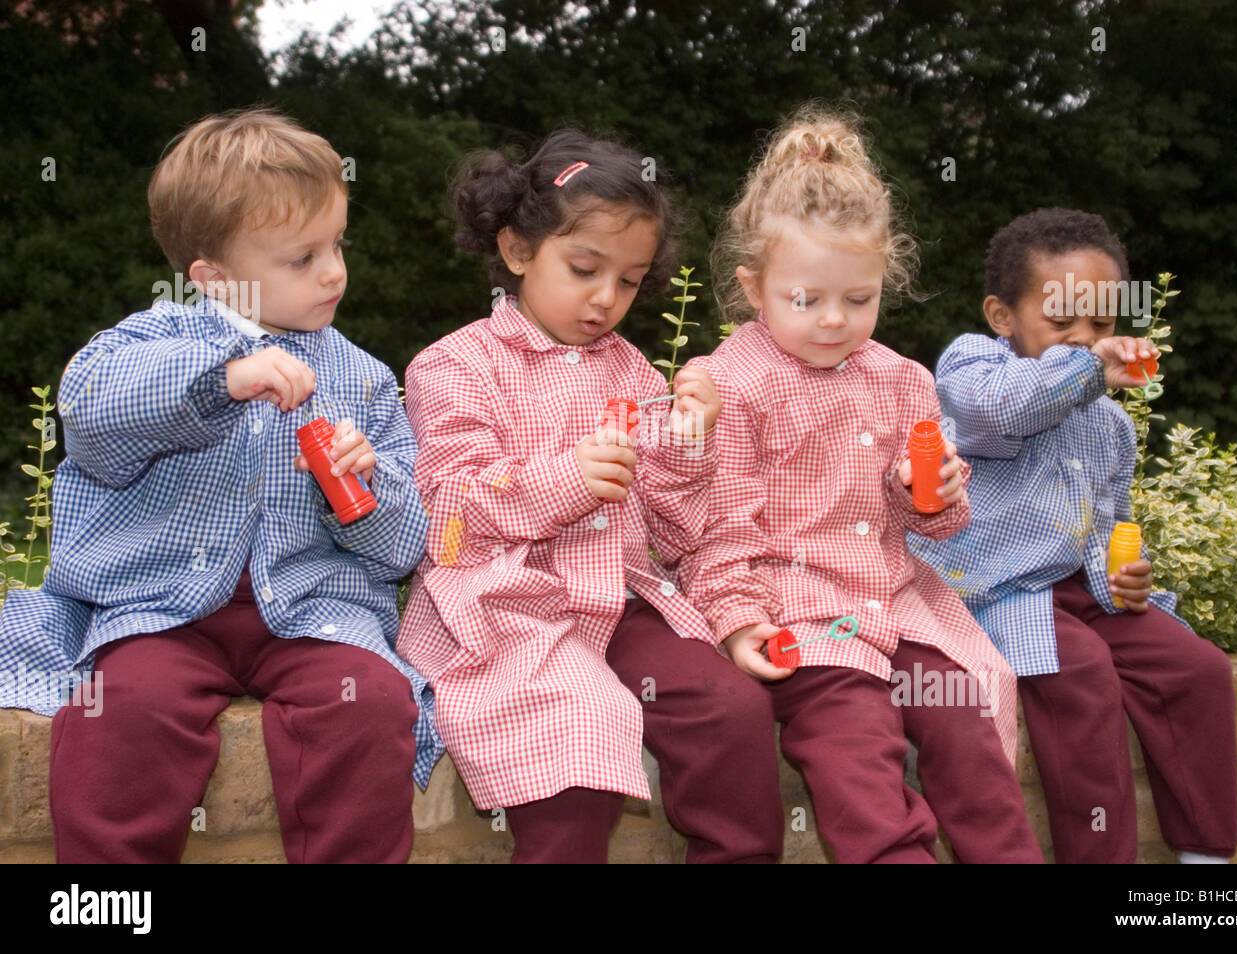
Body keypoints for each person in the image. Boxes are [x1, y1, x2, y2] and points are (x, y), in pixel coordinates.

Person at [0, 107, 437, 863]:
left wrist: (364, 488)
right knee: (126, 713)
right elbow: (94, 412)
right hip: (164, 612)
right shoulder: (151, 341)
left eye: (337, 244)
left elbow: (403, 547)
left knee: (366, 708)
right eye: (301, 258)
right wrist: (223, 380)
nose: (333, 271)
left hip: (312, 613)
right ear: (213, 279)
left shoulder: (364, 379)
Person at [397, 130, 785, 863]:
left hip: (624, 599)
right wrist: (562, 482)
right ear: (516, 252)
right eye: (584, 269)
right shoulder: (453, 367)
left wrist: (689, 440)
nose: (606, 299)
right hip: (512, 608)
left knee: (730, 710)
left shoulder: (633, 370)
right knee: (576, 727)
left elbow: (674, 531)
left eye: (631, 281)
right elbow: (446, 515)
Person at [676, 106, 1042, 863]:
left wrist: (924, 489)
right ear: (754, 286)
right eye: (807, 300)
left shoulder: (902, 379)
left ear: (885, 282)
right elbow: (718, 530)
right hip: (805, 618)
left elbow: (938, 524)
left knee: (965, 718)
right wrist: (740, 621)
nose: (837, 321)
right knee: (858, 751)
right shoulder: (727, 385)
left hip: (898, 603)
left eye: (861, 298)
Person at [908, 207, 1237, 863]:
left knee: (1199, 669)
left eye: (1102, 324)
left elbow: (1112, 522)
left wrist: (1133, 572)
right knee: (1081, 673)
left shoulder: (1109, 424)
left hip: (1085, 594)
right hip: (999, 593)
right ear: (1003, 316)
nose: (1085, 339)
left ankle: (1206, 856)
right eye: (1062, 322)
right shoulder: (972, 367)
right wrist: (1087, 368)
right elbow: (1003, 409)